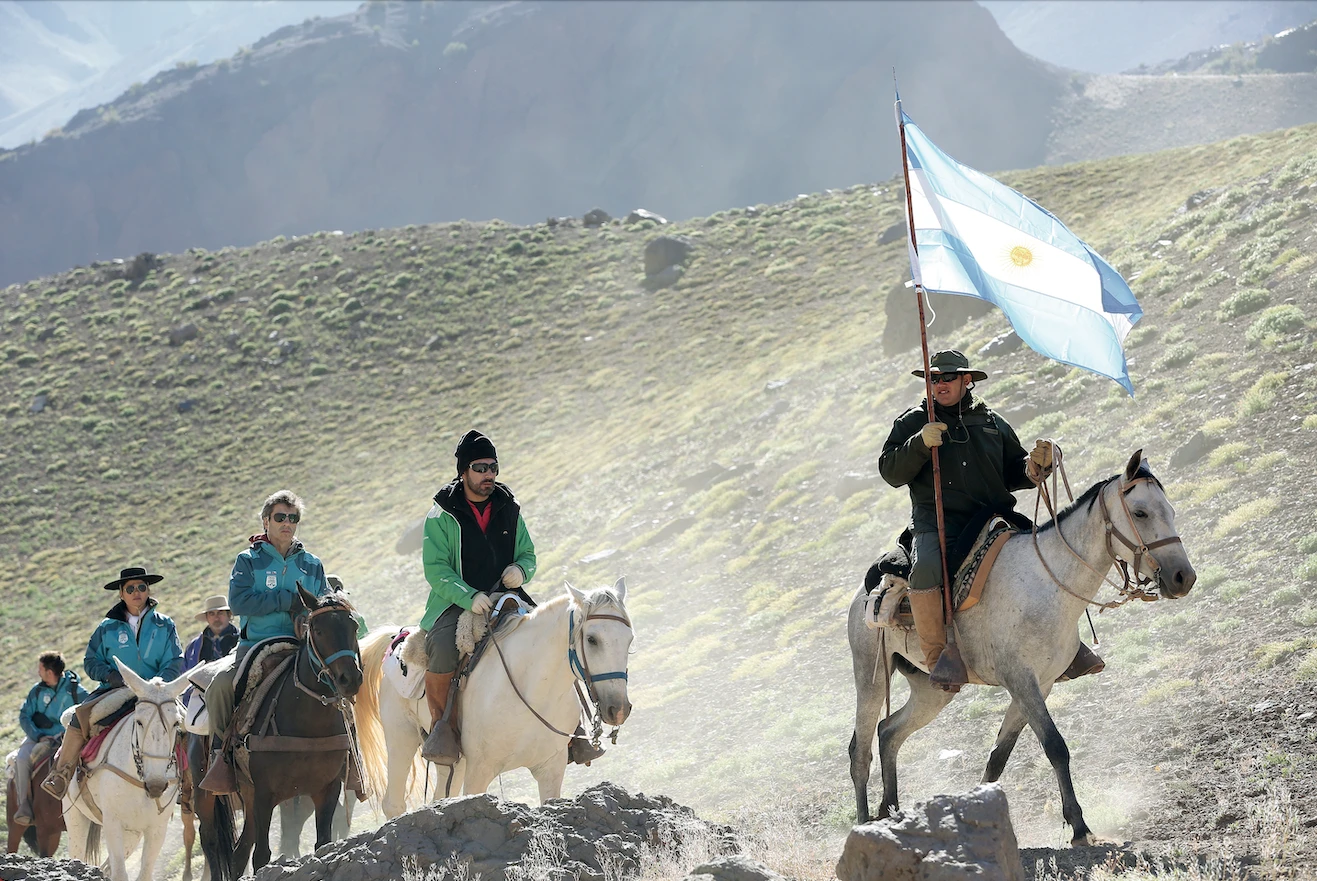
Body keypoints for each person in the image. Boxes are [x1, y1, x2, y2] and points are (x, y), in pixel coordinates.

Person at [879, 350, 1102, 692]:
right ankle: (940, 658)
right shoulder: (912, 422)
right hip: (939, 522)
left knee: (1045, 556)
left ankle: (1067, 648)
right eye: (933, 378)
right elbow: (891, 471)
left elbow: (1016, 471)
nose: (939, 384)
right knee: (924, 570)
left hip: (994, 517)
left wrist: (1035, 465)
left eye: (947, 378)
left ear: (966, 381)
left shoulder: (992, 422)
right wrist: (919, 444)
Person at [420, 429, 537, 765]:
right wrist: (468, 596)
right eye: (481, 467)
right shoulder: (441, 515)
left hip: (507, 597)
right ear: (463, 471)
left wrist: (521, 570)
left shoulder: (510, 508)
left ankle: (570, 731)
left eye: (493, 467)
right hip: (456, 602)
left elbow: (527, 553)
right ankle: (443, 729)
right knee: (441, 647)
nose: (489, 475)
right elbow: (437, 570)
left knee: (554, 633)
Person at [200, 490, 328, 794]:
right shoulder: (247, 561)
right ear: (266, 521)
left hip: (302, 646)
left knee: (342, 688)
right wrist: (288, 600)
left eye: (292, 518)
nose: (287, 523)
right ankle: (223, 755)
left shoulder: (312, 564)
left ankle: (352, 760)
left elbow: (322, 601)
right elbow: (240, 602)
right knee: (219, 687)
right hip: (256, 644)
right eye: (280, 517)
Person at [42, 566, 184, 798]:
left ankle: (189, 786)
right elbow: (91, 661)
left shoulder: (165, 624)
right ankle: (61, 774)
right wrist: (111, 676)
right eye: (130, 588)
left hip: (156, 691)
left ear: (148, 590)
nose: (136, 592)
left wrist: (158, 684)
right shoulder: (106, 628)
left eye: (141, 587)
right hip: (116, 689)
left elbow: (175, 660)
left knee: (190, 724)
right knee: (79, 719)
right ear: (121, 593)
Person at [14, 652, 87, 824]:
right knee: (22, 759)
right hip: (39, 736)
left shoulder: (75, 689)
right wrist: (38, 735)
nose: (38, 672)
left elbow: (87, 707)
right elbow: (24, 716)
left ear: (49, 672)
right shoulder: (37, 691)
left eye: (40, 668)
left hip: (68, 737)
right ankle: (24, 805)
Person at [184, 595, 239, 671]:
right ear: (207, 618)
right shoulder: (194, 646)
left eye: (220, 613)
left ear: (229, 615)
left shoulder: (241, 640)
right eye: (212, 614)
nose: (216, 618)